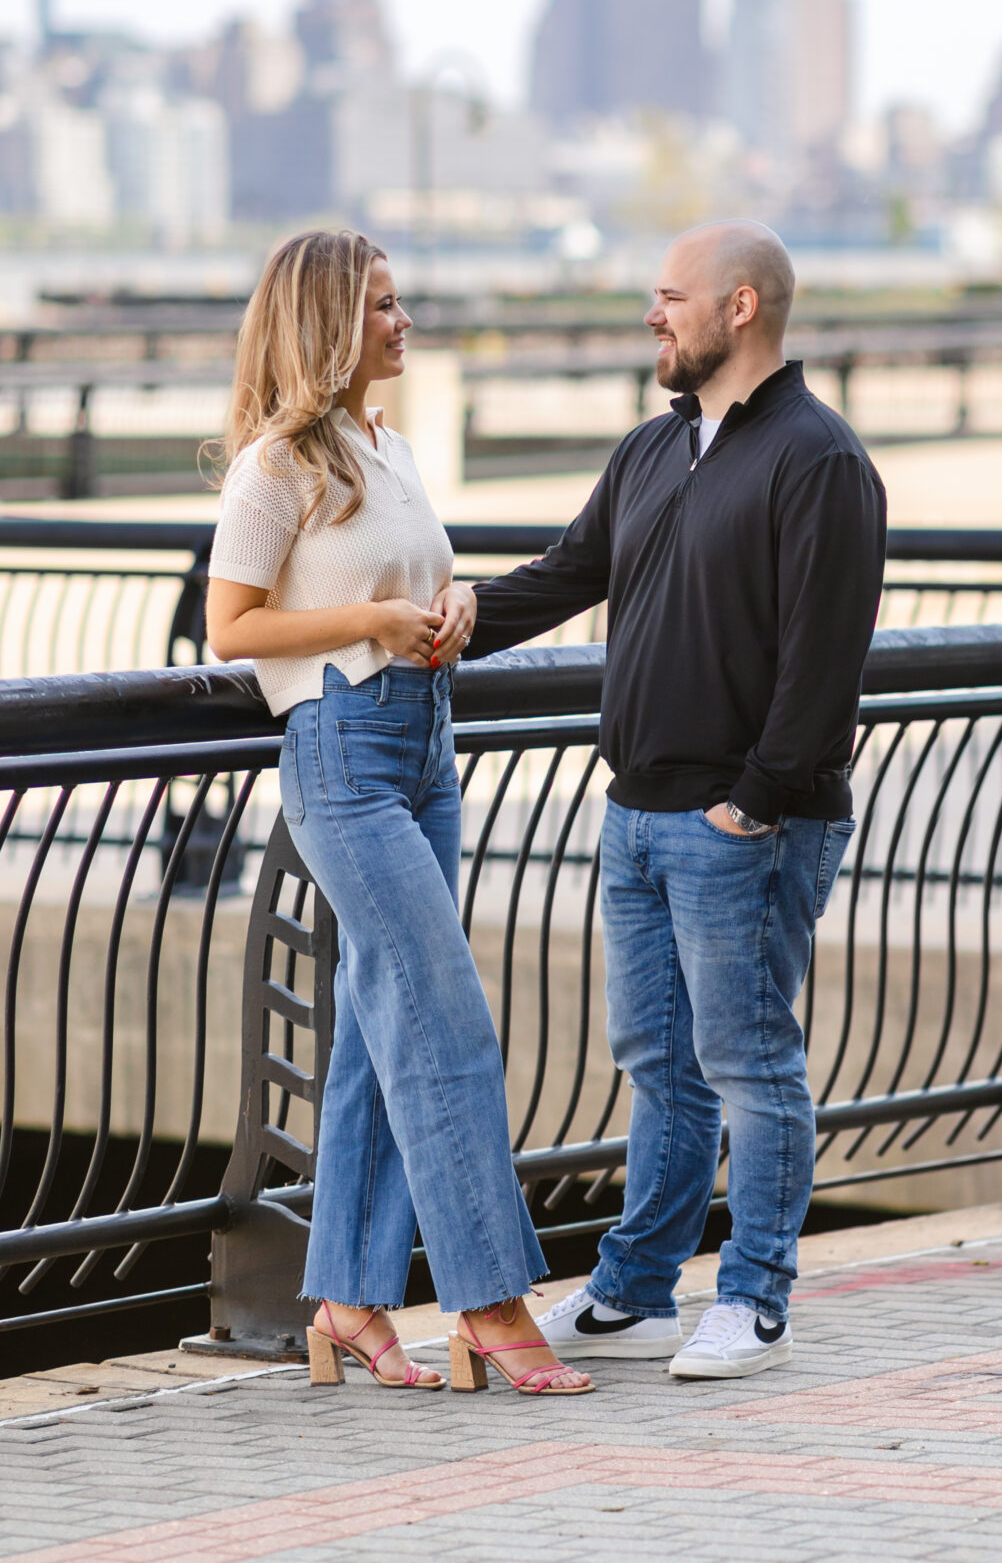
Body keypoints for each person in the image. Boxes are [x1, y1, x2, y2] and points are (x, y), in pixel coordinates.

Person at [465, 220, 887, 1379]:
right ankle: (637, 1292)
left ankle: (755, 1298)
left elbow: (824, 658)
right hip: (638, 811)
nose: (653, 314)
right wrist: (439, 625)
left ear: (739, 307)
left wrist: (754, 801)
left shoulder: (820, 458)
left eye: (669, 295)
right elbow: (565, 575)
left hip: (741, 823)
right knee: (658, 1060)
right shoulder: (653, 451)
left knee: (751, 1062)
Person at [205, 228, 592, 1398]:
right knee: (444, 1015)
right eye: (379, 304)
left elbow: (414, 575)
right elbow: (232, 627)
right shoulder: (275, 465)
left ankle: (349, 1299)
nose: (401, 318)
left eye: (399, 298)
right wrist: (369, 624)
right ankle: (488, 1300)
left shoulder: (392, 447)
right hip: (341, 750)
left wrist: (452, 601)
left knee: (380, 1032)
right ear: (326, 322)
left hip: (429, 740)